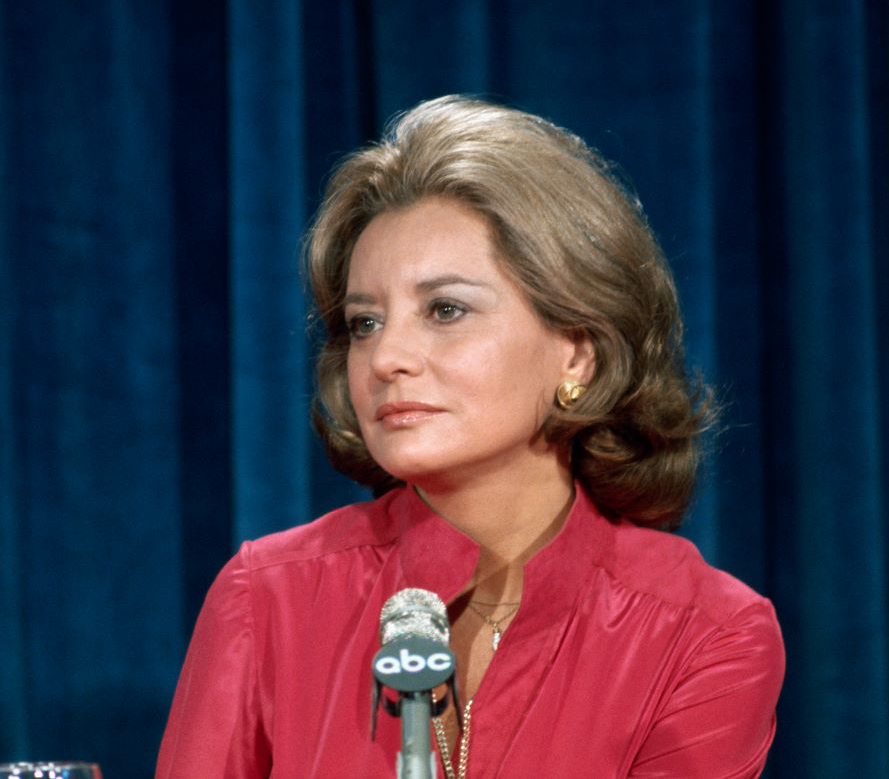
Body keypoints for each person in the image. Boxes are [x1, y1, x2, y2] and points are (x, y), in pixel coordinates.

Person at [155, 96, 785, 778]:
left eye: (445, 310)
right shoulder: (267, 597)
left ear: (578, 351)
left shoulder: (705, 632)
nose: (387, 356)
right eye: (365, 323)